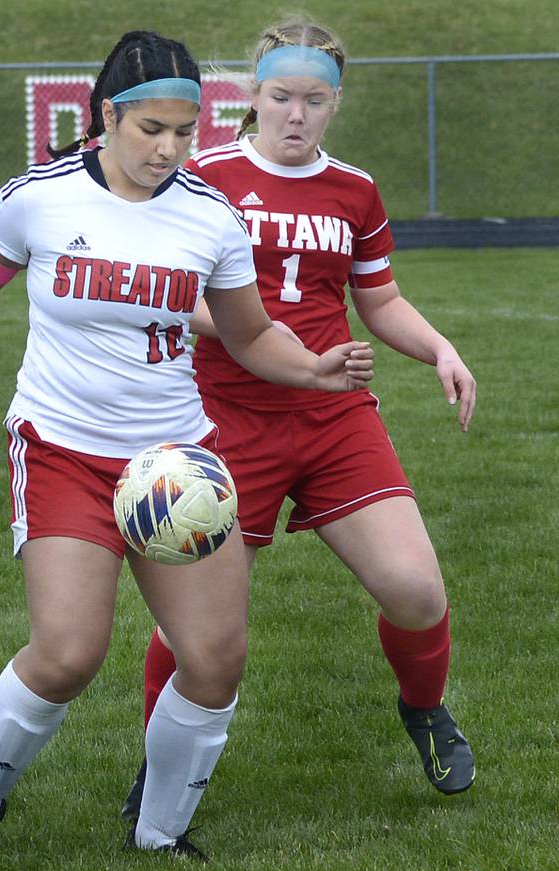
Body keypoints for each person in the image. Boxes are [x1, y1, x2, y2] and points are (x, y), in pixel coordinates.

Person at [0, 30, 374, 866]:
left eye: (185, 131)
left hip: (176, 464)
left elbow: (248, 336)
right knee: (68, 654)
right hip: (63, 448)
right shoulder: (37, 197)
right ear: (108, 116)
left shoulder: (211, 215)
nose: (171, 149)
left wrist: (314, 368)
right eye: (152, 131)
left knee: (215, 661)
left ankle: (160, 834)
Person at [121, 16, 477, 823]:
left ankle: (424, 707)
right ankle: (160, 764)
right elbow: (168, 291)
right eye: (280, 95)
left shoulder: (355, 190)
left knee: (415, 588)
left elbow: (376, 300)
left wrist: (440, 349)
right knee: (196, 634)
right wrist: (262, 343)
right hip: (222, 419)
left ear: (334, 104)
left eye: (314, 100)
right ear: (253, 95)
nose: (295, 113)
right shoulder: (200, 177)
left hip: (332, 416)